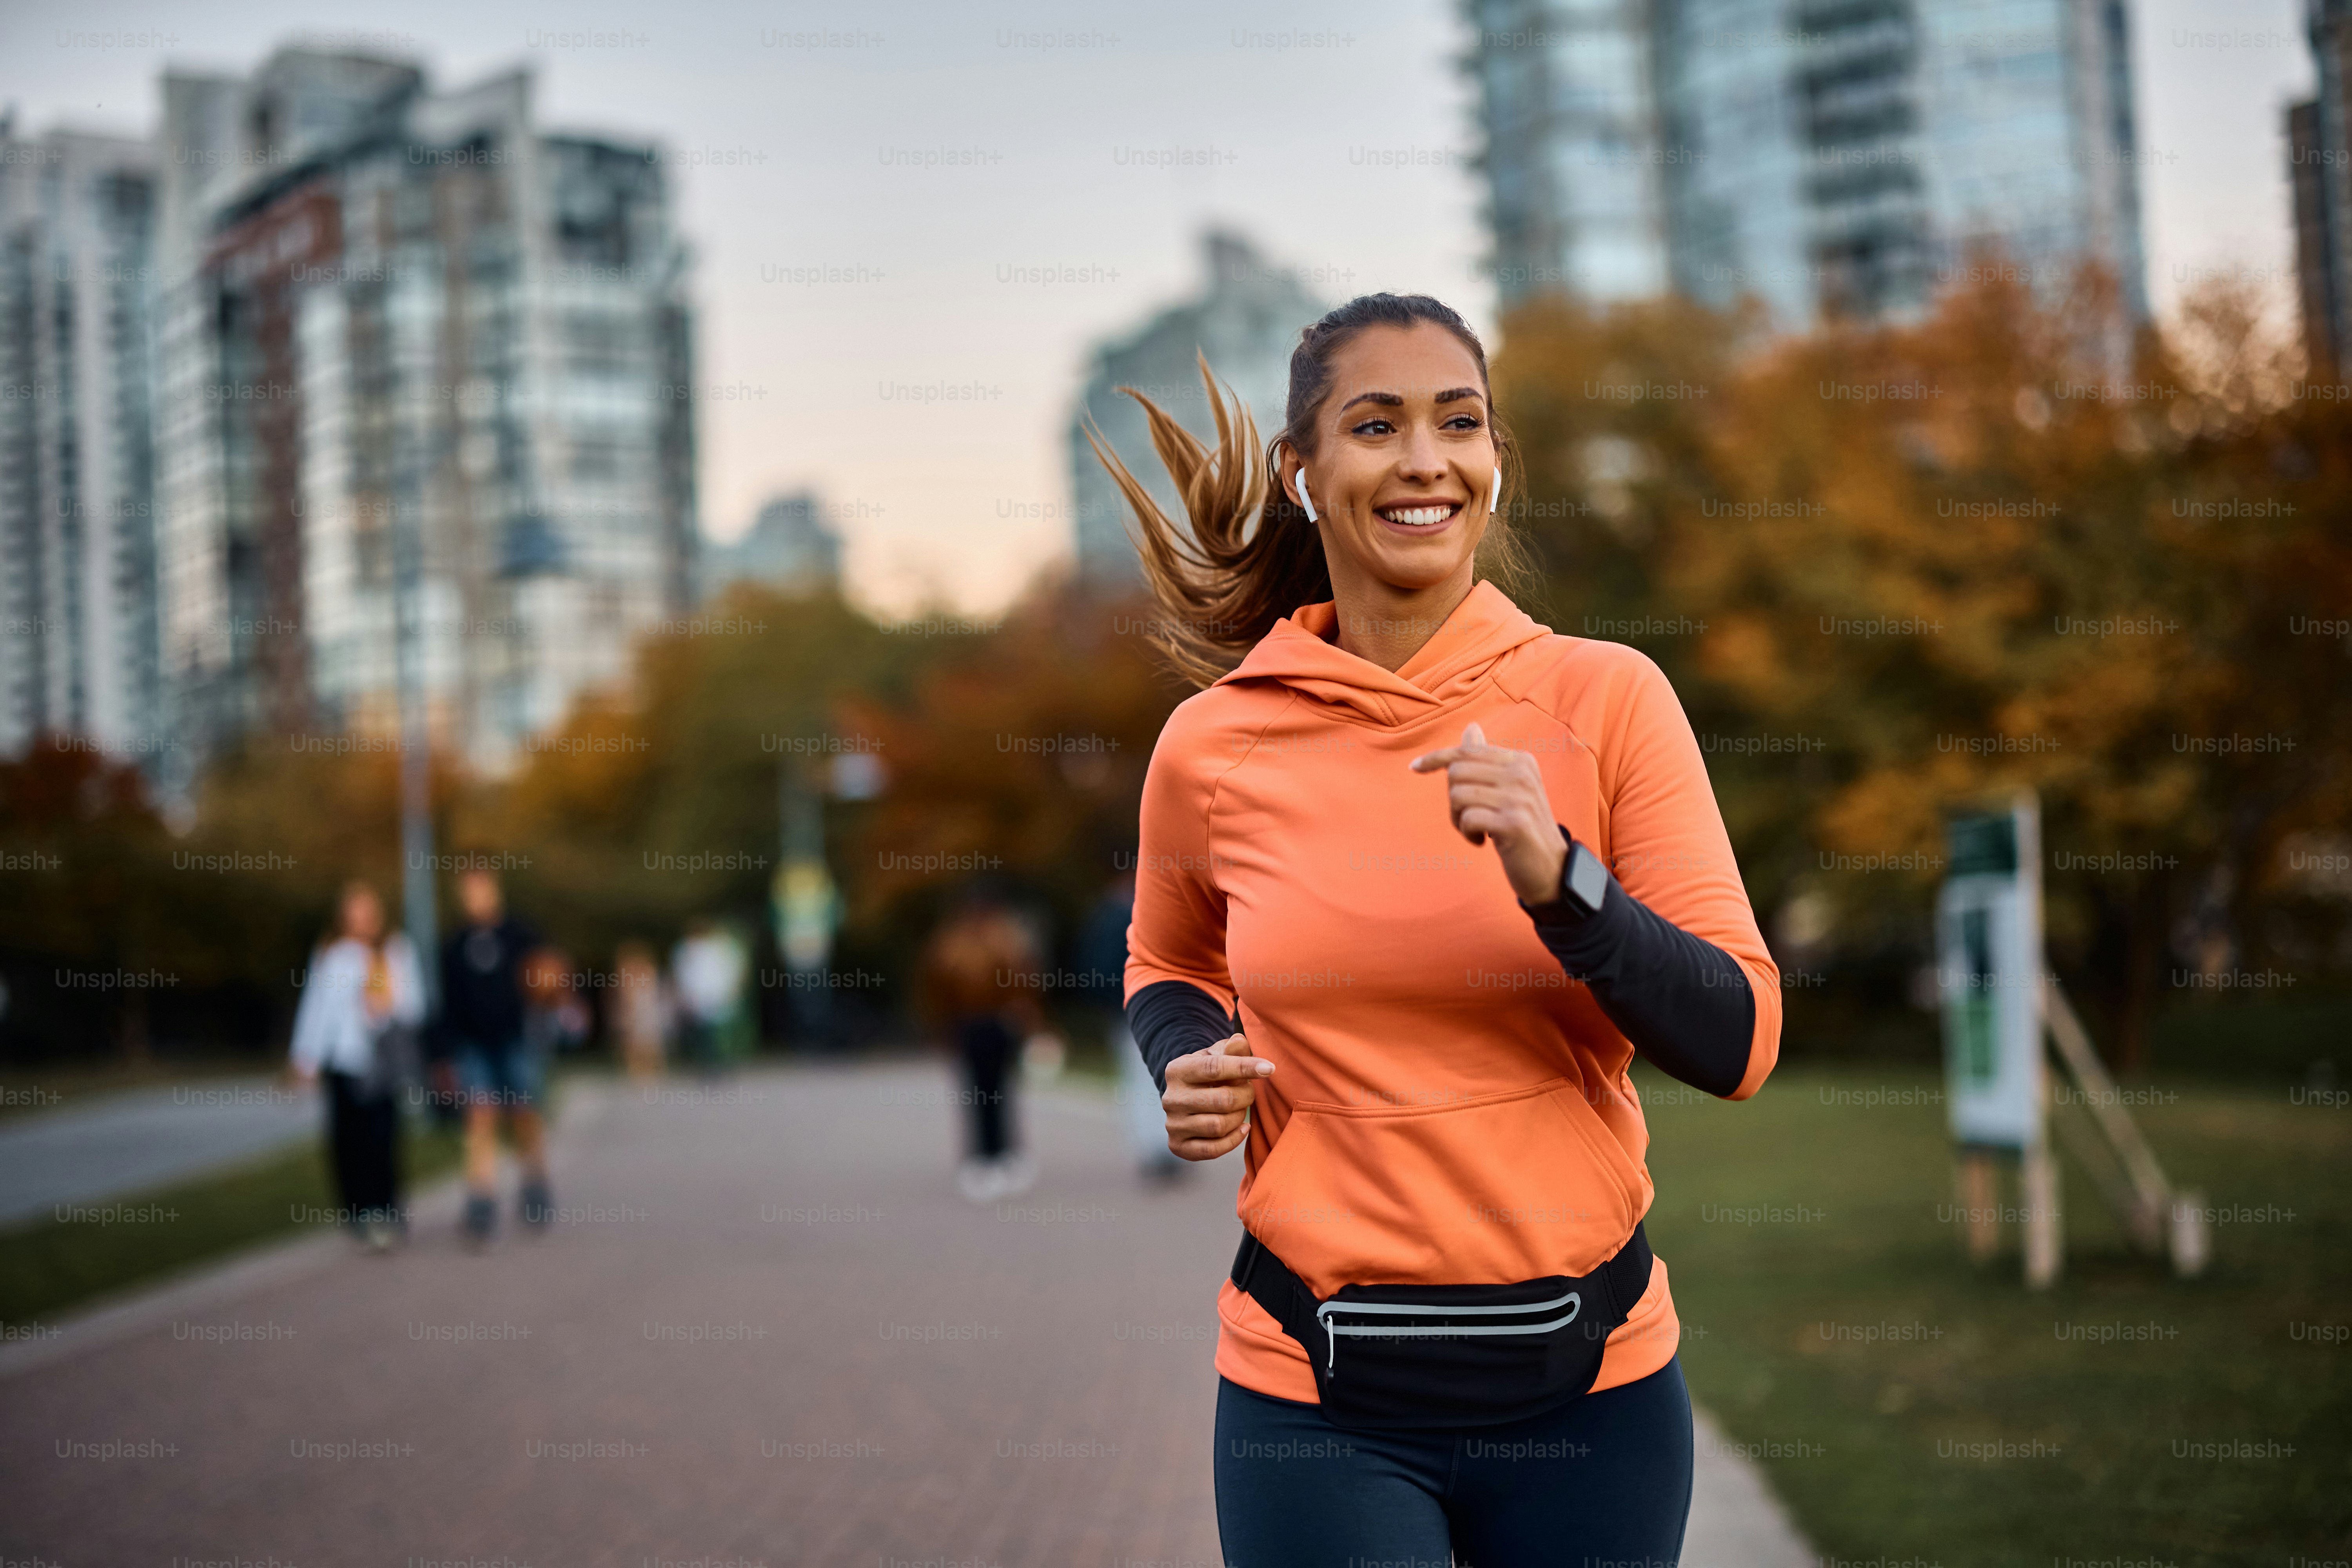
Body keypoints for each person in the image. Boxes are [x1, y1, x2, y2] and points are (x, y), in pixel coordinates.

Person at [1101, 294, 1783, 1568]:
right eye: (1378, 424)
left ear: (1494, 461)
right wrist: (1187, 1055)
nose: (1425, 458)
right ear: (1305, 472)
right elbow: (1169, 958)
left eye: (1458, 422)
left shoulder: (1607, 699)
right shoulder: (1215, 743)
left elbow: (1739, 1038)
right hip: (1313, 1397)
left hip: (1593, 1398)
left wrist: (1562, 883)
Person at [287, 880, 423, 1252]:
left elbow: (415, 1006)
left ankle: (386, 1209)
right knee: (347, 1141)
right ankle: (358, 1212)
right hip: (344, 1061)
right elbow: (316, 1008)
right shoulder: (334, 954)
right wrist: (305, 1057)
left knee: (382, 1138)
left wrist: (387, 1004)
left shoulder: (395, 951)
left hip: (382, 1062)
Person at [438, 866, 554, 1245]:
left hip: (516, 1039)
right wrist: (444, 1056)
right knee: (481, 1116)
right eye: (469, 892)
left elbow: (546, 976)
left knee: (524, 1114)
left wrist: (550, 990)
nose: (476, 898)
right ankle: (481, 1197)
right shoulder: (455, 945)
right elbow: (448, 1005)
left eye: (482, 890)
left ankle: (534, 1182)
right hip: (474, 1044)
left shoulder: (520, 934)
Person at [917, 882, 1045, 1203]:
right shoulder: (976, 941)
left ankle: (999, 1153)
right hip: (974, 1025)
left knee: (994, 1092)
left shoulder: (972, 941)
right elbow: (937, 988)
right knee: (983, 1093)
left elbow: (1024, 982)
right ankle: (987, 1156)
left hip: (991, 1023)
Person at [671, 918, 746, 1077]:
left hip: (716, 995)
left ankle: (721, 1063)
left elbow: (727, 971)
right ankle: (707, 1064)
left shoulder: (717, 948)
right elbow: (683, 975)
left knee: (718, 1033)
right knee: (703, 1034)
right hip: (698, 997)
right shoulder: (684, 951)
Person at [612, 940, 672, 1079]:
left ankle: (646, 1072)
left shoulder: (641, 971)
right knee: (637, 1041)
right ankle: (640, 1073)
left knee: (647, 1041)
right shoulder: (633, 972)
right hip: (640, 1012)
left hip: (644, 1011)